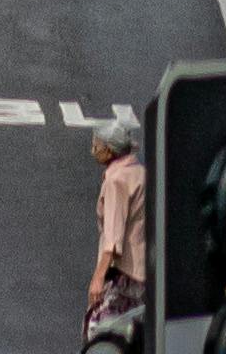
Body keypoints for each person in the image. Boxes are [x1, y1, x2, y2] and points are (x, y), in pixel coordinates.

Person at [81, 111, 147, 340]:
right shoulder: (139, 173)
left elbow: (113, 234)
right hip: (144, 271)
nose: (93, 149)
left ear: (109, 150)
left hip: (124, 273)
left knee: (99, 331)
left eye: (96, 144)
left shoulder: (116, 181)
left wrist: (98, 277)